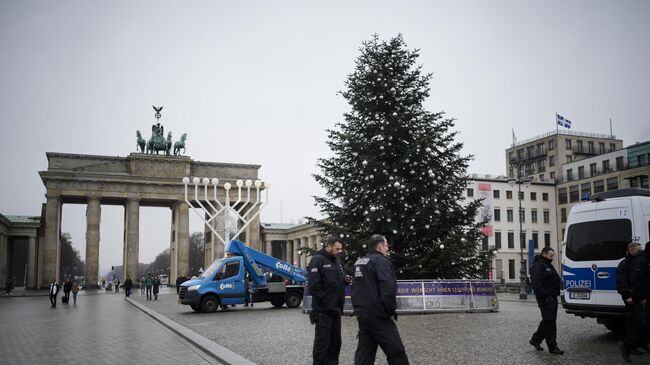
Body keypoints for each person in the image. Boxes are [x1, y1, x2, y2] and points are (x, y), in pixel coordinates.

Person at [351, 234, 409, 365]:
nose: (387, 249)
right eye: (386, 245)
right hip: (379, 315)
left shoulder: (359, 262)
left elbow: (355, 288)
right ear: (380, 246)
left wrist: (359, 309)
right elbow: (387, 289)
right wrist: (390, 311)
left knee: (365, 354)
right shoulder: (381, 261)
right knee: (396, 352)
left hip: (363, 314)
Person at [308, 237, 349, 365]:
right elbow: (314, 286)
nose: (339, 251)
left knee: (336, 343)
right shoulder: (317, 260)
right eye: (337, 249)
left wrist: (345, 280)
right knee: (322, 345)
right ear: (329, 246)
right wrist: (326, 301)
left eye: (340, 249)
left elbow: (339, 279)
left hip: (336, 309)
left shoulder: (337, 261)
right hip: (323, 311)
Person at [529, 247, 564, 355]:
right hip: (546, 298)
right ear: (544, 254)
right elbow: (536, 285)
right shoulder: (538, 266)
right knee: (550, 322)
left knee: (548, 320)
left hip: (552, 296)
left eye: (553, 256)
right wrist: (546, 297)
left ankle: (535, 339)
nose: (552, 258)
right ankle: (552, 346)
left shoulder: (547, 264)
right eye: (550, 256)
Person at [619, 242, 650, 362]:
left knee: (640, 321)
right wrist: (628, 296)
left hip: (637, 294)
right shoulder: (624, 264)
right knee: (634, 321)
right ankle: (629, 345)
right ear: (631, 250)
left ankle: (640, 343)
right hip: (631, 297)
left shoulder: (638, 261)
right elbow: (621, 283)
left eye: (641, 250)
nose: (640, 252)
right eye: (638, 251)